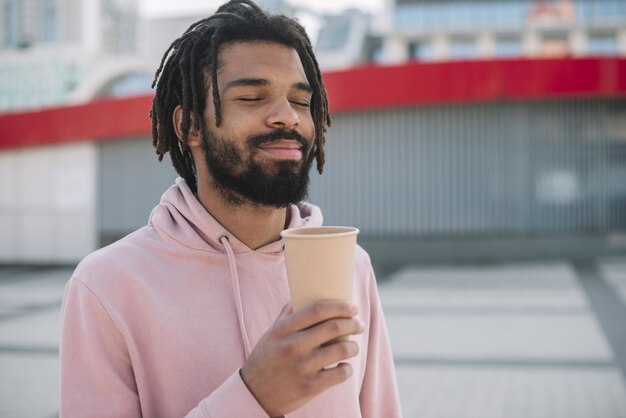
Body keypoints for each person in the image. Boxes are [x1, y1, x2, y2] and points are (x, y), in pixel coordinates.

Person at [59, 1, 402, 417]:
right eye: (253, 97)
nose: (288, 117)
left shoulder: (352, 266)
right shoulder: (107, 286)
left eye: (300, 100)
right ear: (189, 126)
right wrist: (253, 396)